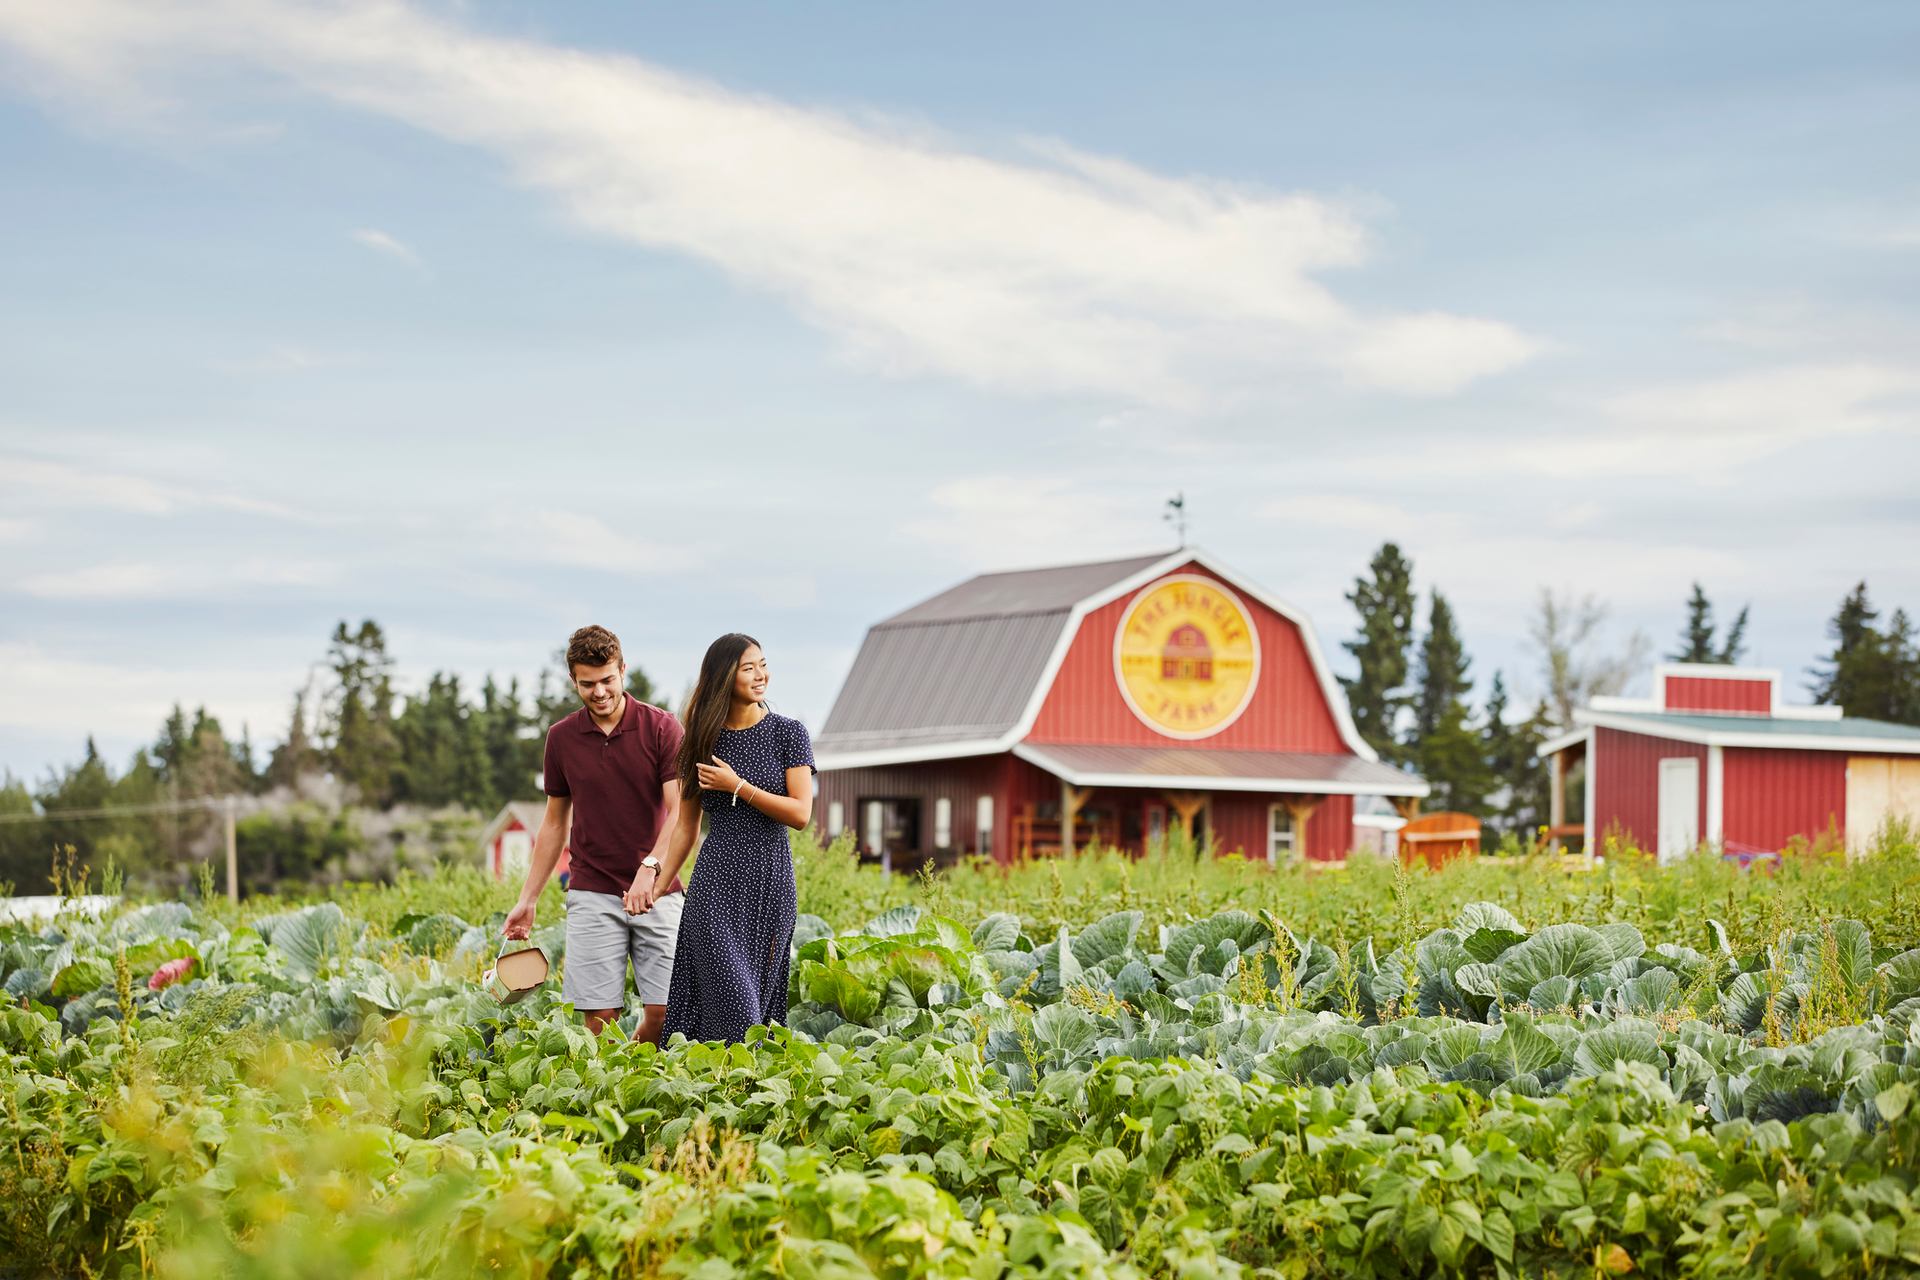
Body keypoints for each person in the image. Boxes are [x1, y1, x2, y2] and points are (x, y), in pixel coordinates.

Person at [503, 625, 684, 1041]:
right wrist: (527, 899)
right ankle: (611, 1094)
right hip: (592, 888)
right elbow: (553, 823)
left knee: (665, 1010)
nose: (599, 692)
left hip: (658, 890)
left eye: (607, 680)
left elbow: (678, 813)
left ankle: (637, 1073)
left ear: (623, 670)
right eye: (588, 684)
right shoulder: (562, 738)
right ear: (574, 681)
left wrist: (650, 868)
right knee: (598, 1020)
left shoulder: (661, 728)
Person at [631, 632, 814, 1043]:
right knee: (739, 1010)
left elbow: (801, 814)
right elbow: (685, 826)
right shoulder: (701, 739)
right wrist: (658, 887)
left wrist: (739, 786)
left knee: (759, 1016)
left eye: (763, 664)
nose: (760, 675)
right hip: (715, 888)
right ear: (724, 677)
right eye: (749, 668)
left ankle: (734, 1097)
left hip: (770, 886)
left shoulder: (788, 734)